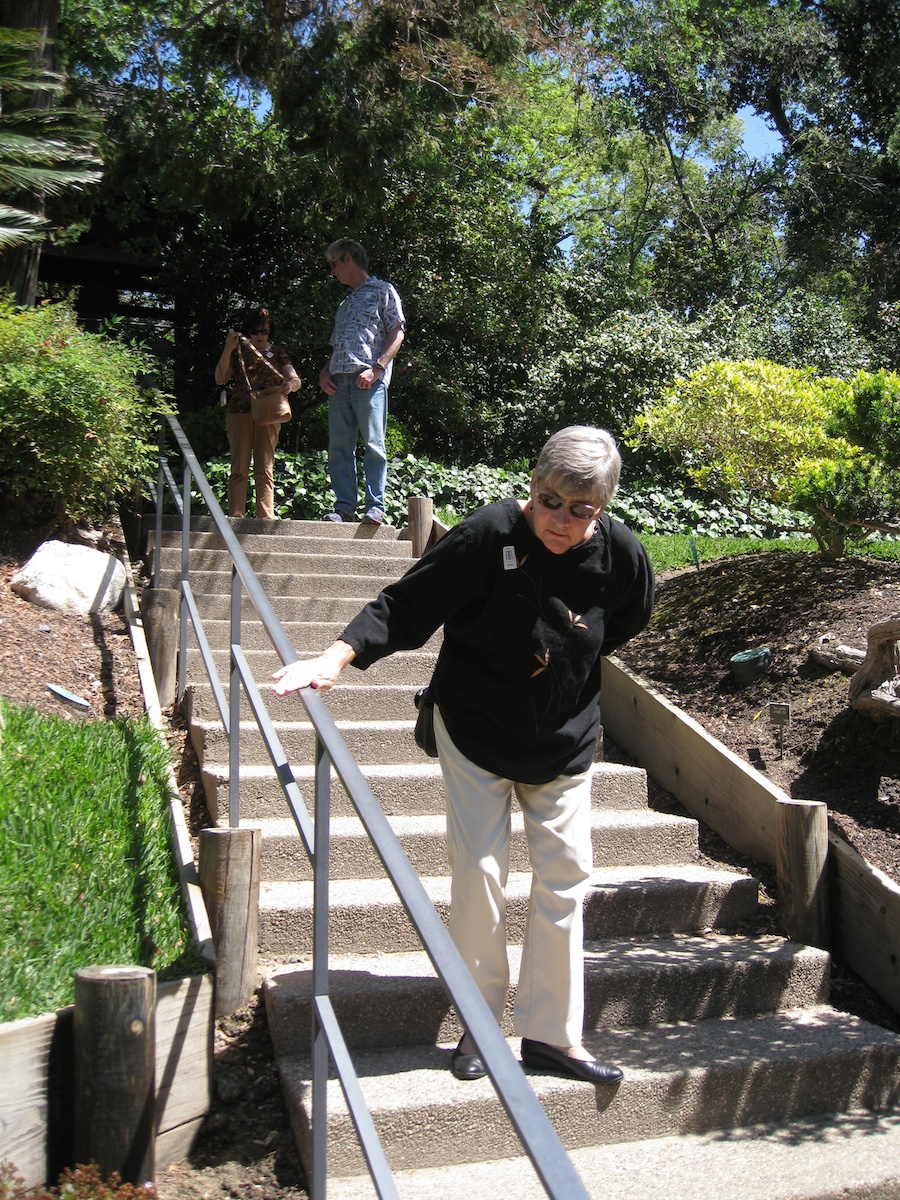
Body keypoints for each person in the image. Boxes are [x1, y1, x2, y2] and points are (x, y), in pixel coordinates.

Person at [272, 425, 655, 1084]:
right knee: (478, 876)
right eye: (547, 499)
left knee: (565, 879)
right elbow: (407, 604)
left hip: (563, 739)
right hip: (475, 729)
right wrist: (336, 657)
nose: (558, 520)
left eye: (578, 509)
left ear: (602, 507)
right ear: (531, 486)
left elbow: (628, 618)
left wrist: (565, 663)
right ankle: (480, 1024)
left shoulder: (620, 553)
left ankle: (551, 1038)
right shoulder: (488, 534)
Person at [319, 239, 405, 526]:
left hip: (367, 380)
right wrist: (324, 373)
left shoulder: (383, 291)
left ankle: (375, 507)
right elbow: (337, 347)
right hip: (338, 383)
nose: (332, 272)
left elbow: (398, 333)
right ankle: (344, 509)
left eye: (334, 265)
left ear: (348, 258)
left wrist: (378, 369)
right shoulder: (344, 304)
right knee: (338, 448)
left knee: (374, 445)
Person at [215, 307, 301, 520]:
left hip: (269, 412)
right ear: (247, 331)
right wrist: (228, 347)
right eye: (255, 331)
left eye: (264, 331)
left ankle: (265, 516)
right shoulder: (238, 352)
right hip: (240, 411)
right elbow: (220, 378)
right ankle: (236, 516)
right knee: (239, 467)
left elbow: (296, 380)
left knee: (265, 467)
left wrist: (290, 384)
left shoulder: (278, 353)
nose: (260, 336)